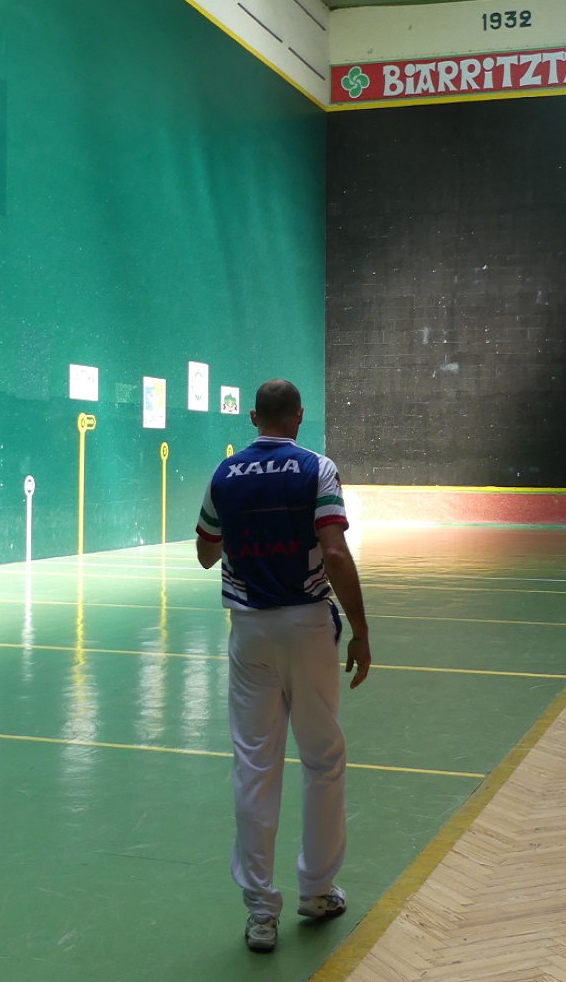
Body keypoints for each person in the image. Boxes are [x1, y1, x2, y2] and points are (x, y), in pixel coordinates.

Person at [194, 379, 370, 955]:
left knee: (255, 765)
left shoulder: (224, 475)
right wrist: (362, 630)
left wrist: (244, 535)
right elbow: (334, 550)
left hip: (250, 633)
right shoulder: (317, 468)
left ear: (252, 417)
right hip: (308, 627)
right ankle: (316, 891)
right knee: (323, 759)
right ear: (297, 416)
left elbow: (206, 552)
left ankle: (260, 914)